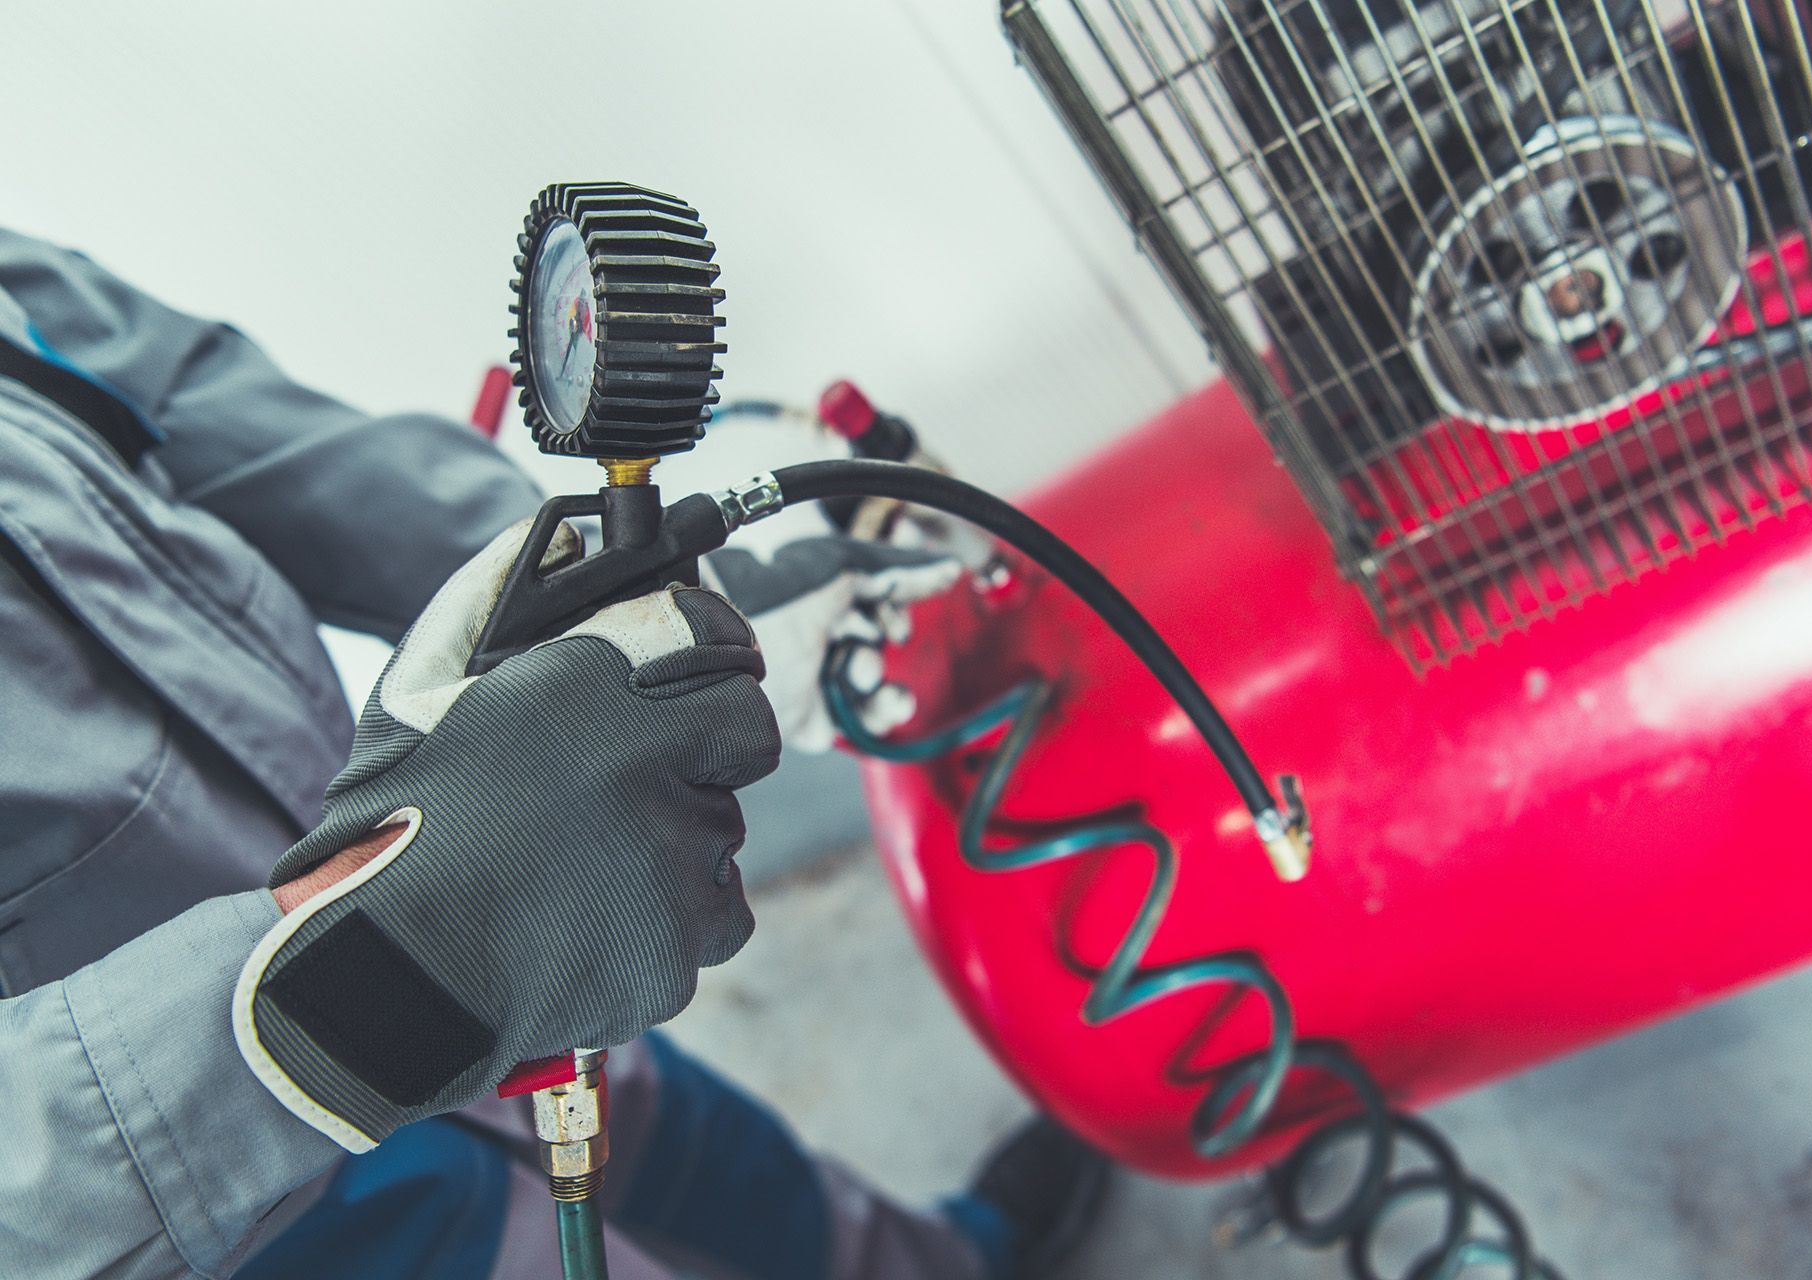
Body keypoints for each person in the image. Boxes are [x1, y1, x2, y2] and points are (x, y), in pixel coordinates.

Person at [0, 227, 1108, 1279]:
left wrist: (640, 608)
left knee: (714, 1163)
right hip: (224, 1175)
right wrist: (362, 970)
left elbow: (226, 415)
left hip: (467, 846)